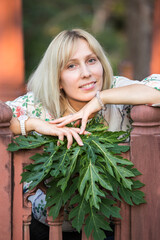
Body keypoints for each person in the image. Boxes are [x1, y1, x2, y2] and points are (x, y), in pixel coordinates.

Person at [5, 29, 160, 240]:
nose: (86, 73)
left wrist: (101, 99)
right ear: (58, 79)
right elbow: (3, 115)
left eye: (91, 60)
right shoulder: (41, 103)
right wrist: (33, 124)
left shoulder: (116, 90)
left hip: (112, 224)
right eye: (71, 65)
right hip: (45, 226)